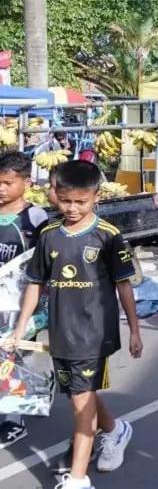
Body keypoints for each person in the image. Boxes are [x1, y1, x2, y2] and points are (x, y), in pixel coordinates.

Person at [3, 160, 142, 489]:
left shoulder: (108, 236)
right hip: (60, 332)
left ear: (97, 197)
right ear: (55, 195)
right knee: (80, 394)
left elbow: (124, 285)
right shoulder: (50, 235)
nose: (73, 208)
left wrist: (134, 330)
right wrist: (20, 329)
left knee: (81, 406)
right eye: (65, 201)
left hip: (94, 335)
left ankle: (78, 484)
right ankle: (115, 430)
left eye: (81, 201)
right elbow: (36, 284)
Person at [0, 150, 49, 449]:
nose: (1, 189)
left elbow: (45, 261)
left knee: (14, 357)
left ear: (27, 183)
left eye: (7, 183)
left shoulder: (35, 218)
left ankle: (14, 421)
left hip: (21, 303)